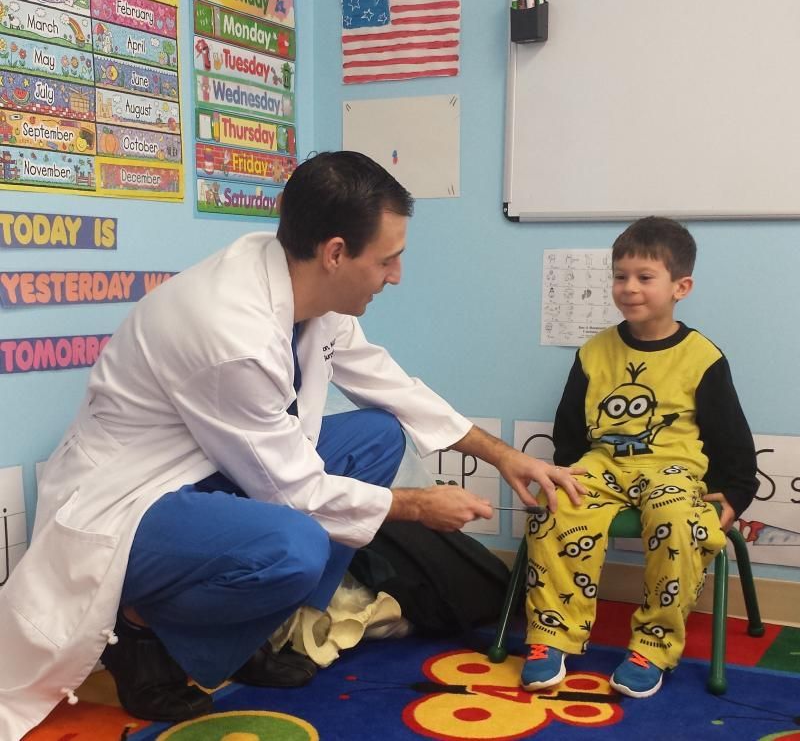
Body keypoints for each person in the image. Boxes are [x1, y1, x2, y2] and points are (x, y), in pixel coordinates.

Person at [0, 151, 585, 739]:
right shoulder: (231, 331)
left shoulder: (300, 279)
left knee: (378, 435)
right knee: (297, 545)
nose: (396, 275)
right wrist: (415, 505)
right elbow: (294, 490)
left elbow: (390, 384)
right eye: (388, 259)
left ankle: (251, 628)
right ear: (336, 253)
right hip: (131, 502)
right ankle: (140, 630)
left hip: (210, 468)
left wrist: (504, 454)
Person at [520, 216, 758, 699]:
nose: (628, 288)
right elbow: (569, 432)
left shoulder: (703, 357)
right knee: (557, 506)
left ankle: (653, 643)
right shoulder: (594, 351)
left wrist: (735, 494)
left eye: (644, 277)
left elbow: (733, 440)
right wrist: (564, 474)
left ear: (680, 286)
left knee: (678, 518)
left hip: (671, 471)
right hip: (603, 465)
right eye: (619, 276)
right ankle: (550, 635)